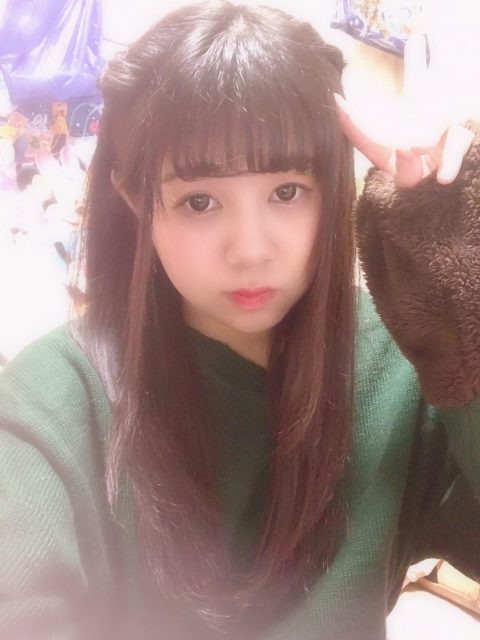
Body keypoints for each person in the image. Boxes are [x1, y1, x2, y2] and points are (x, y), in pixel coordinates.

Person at [0, 2, 479, 639]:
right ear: (137, 201)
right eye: (200, 201)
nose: (251, 250)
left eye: (287, 192)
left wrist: (466, 298)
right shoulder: (54, 399)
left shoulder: (399, 365)